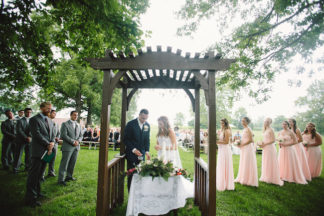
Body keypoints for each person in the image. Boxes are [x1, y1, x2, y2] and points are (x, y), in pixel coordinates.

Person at [25, 102, 55, 207]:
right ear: (41, 108)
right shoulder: (34, 120)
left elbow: (53, 134)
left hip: (47, 152)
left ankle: (37, 193)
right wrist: (47, 144)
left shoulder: (50, 121)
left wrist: (52, 143)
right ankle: (30, 198)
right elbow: (36, 134)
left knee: (40, 174)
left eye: (50, 109)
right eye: (47, 108)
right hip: (38, 152)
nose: (50, 111)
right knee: (33, 175)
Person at [124, 109, 151, 191]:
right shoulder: (130, 124)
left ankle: (139, 194)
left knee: (141, 174)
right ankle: (130, 195)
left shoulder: (147, 125)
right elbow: (125, 139)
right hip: (131, 154)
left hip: (142, 155)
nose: (144, 121)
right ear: (139, 115)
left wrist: (147, 151)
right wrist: (134, 149)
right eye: (143, 118)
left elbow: (147, 139)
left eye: (146, 119)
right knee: (131, 175)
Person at [58, 111, 83, 186]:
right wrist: (73, 141)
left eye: (77, 115)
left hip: (76, 147)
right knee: (64, 164)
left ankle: (69, 176)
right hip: (68, 147)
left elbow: (81, 135)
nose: (76, 116)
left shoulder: (78, 125)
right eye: (74, 115)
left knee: (73, 162)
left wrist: (78, 141)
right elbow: (63, 135)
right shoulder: (65, 124)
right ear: (71, 115)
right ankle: (61, 179)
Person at [258, 118, 283, 186]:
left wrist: (264, 144)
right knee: (265, 161)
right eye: (265, 121)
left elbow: (273, 140)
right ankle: (265, 176)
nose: (266, 122)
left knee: (270, 162)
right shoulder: (265, 130)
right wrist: (261, 144)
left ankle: (271, 178)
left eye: (268, 121)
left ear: (270, 123)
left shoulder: (271, 130)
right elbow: (265, 139)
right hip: (265, 148)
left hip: (270, 148)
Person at [234, 117, 258, 187]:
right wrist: (239, 143)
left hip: (247, 148)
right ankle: (242, 177)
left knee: (247, 162)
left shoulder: (248, 129)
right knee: (243, 162)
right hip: (244, 147)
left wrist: (242, 144)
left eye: (244, 121)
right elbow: (245, 138)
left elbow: (251, 140)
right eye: (242, 121)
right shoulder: (244, 129)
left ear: (247, 122)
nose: (242, 122)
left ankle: (248, 179)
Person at [41, 109, 60, 179]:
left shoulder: (56, 123)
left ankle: (51, 172)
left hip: (55, 144)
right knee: (46, 159)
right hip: (48, 144)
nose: (55, 115)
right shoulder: (45, 122)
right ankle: (42, 174)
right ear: (49, 114)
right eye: (53, 113)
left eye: (55, 114)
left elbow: (58, 133)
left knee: (53, 159)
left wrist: (57, 138)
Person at [216, 118, 234, 191]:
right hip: (221, 149)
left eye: (223, 123)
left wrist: (216, 142)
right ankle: (221, 180)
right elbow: (222, 140)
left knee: (224, 165)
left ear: (226, 124)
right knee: (221, 165)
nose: (221, 125)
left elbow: (226, 142)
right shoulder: (222, 130)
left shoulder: (227, 131)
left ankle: (225, 183)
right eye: (221, 123)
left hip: (225, 150)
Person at [13, 108, 32, 173]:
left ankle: (27, 167)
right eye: (27, 112)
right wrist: (26, 137)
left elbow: (33, 130)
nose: (29, 113)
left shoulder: (32, 121)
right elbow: (19, 130)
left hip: (29, 141)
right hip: (21, 140)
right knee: (18, 155)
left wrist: (30, 136)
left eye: (30, 112)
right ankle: (16, 168)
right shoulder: (20, 121)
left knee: (28, 155)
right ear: (25, 113)